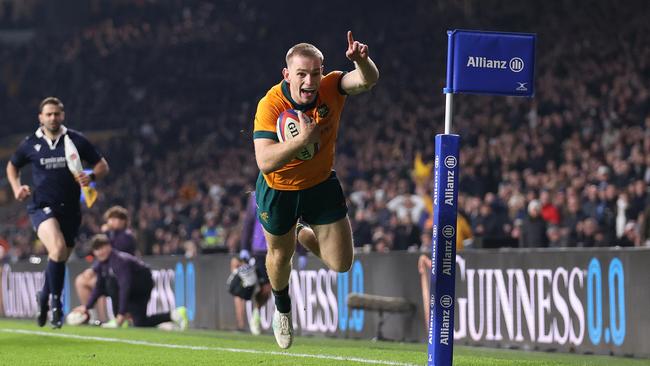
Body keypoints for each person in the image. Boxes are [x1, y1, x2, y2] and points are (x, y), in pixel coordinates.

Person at [252, 31, 378, 348]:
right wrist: (300, 142)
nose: (310, 80)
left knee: (342, 264)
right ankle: (282, 309)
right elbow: (265, 161)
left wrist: (362, 61)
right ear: (287, 75)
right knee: (280, 256)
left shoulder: (330, 86)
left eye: (315, 72)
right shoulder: (270, 104)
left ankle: (306, 233)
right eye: (302, 74)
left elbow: (366, 82)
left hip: (321, 183)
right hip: (278, 189)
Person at [5, 97, 110, 328]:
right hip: (41, 206)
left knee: (59, 256)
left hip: (70, 209)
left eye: (57, 114)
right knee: (58, 248)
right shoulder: (30, 143)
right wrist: (16, 187)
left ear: (63, 116)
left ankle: (43, 296)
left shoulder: (76, 139)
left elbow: (103, 165)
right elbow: (12, 166)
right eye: (48, 114)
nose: (53, 118)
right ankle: (55, 302)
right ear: (40, 117)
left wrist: (91, 176)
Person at [73, 234, 188, 329]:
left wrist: (121, 314)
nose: (100, 252)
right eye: (97, 249)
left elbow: (125, 286)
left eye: (102, 247)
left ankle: (119, 318)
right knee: (140, 323)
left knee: (111, 284)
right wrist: (86, 307)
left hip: (141, 286)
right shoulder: (103, 264)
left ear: (108, 246)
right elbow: (98, 287)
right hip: (135, 287)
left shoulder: (119, 261)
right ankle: (174, 314)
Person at [75, 205, 136, 323]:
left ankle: (103, 320)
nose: (113, 222)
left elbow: (113, 254)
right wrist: (93, 269)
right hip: (111, 273)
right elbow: (101, 255)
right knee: (81, 280)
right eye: (111, 219)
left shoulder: (127, 236)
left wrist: (107, 233)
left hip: (123, 276)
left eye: (116, 219)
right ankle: (90, 316)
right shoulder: (111, 235)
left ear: (124, 221)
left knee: (99, 283)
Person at [230, 192, 272, 335]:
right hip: (259, 249)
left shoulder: (284, 190)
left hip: (275, 248)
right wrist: (244, 249)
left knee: (268, 288)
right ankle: (242, 324)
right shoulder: (255, 196)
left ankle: (256, 313)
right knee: (246, 284)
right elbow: (248, 222)